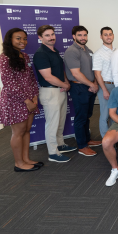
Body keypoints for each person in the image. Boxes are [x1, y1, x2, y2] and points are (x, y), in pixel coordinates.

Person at [0, 28, 42, 172]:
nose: (22, 41)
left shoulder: (25, 56)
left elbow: (31, 78)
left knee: (27, 130)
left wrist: (35, 95)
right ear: (10, 39)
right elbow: (9, 84)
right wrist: (26, 100)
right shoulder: (4, 58)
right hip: (15, 101)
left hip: (30, 98)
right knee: (18, 132)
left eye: (24, 38)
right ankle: (19, 163)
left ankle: (26, 159)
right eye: (18, 38)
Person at [33, 24, 73, 163]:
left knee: (60, 120)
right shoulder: (41, 54)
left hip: (60, 90)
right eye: (47, 35)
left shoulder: (54, 51)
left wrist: (65, 83)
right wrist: (65, 85)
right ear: (40, 38)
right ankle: (53, 152)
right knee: (52, 123)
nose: (51, 38)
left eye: (52, 34)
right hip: (50, 91)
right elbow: (48, 77)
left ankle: (60, 144)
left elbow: (59, 71)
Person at [64, 25, 101, 156]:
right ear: (73, 36)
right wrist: (92, 84)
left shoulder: (87, 50)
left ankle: (87, 139)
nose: (83, 37)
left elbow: (93, 68)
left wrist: (94, 83)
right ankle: (82, 145)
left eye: (85, 35)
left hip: (89, 87)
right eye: (80, 35)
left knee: (87, 115)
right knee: (80, 117)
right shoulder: (72, 51)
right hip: (79, 87)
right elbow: (76, 73)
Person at [92, 26, 115, 140]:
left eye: (110, 34)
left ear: (113, 36)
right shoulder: (98, 54)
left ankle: (113, 137)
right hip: (105, 85)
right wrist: (104, 90)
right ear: (101, 37)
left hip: (116, 85)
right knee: (105, 114)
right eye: (105, 34)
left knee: (114, 114)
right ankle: (106, 139)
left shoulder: (116, 51)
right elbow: (97, 74)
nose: (108, 36)